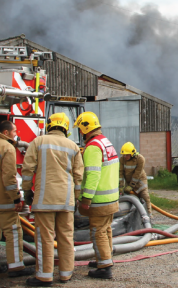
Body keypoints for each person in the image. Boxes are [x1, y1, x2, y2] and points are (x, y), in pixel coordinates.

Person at [22, 113, 83, 286]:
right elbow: (78, 175)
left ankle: (44, 276)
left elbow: (27, 169)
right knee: (66, 237)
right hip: (66, 200)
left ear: (50, 125)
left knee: (45, 238)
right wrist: (75, 198)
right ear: (66, 128)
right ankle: (66, 274)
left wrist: (27, 191)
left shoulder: (38, 142)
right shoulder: (73, 146)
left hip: (44, 200)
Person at [0, 121, 33, 278]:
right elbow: (9, 177)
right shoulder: (8, 148)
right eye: (14, 131)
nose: (16, 134)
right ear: (6, 132)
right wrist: (16, 198)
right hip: (1, 201)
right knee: (13, 232)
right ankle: (16, 267)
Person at [74, 112, 120, 280]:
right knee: (106, 229)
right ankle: (105, 259)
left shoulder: (93, 147)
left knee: (98, 232)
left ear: (85, 129)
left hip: (99, 200)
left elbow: (93, 175)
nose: (80, 132)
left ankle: (104, 267)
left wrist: (86, 198)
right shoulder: (105, 142)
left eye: (80, 129)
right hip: (111, 198)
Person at [119, 142, 151, 216]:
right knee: (130, 200)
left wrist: (131, 186)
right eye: (124, 155)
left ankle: (149, 215)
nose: (125, 157)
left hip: (140, 182)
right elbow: (120, 173)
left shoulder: (140, 159)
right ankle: (133, 216)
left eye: (127, 155)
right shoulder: (122, 159)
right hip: (129, 182)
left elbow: (137, 174)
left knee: (145, 197)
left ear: (132, 153)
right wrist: (121, 186)